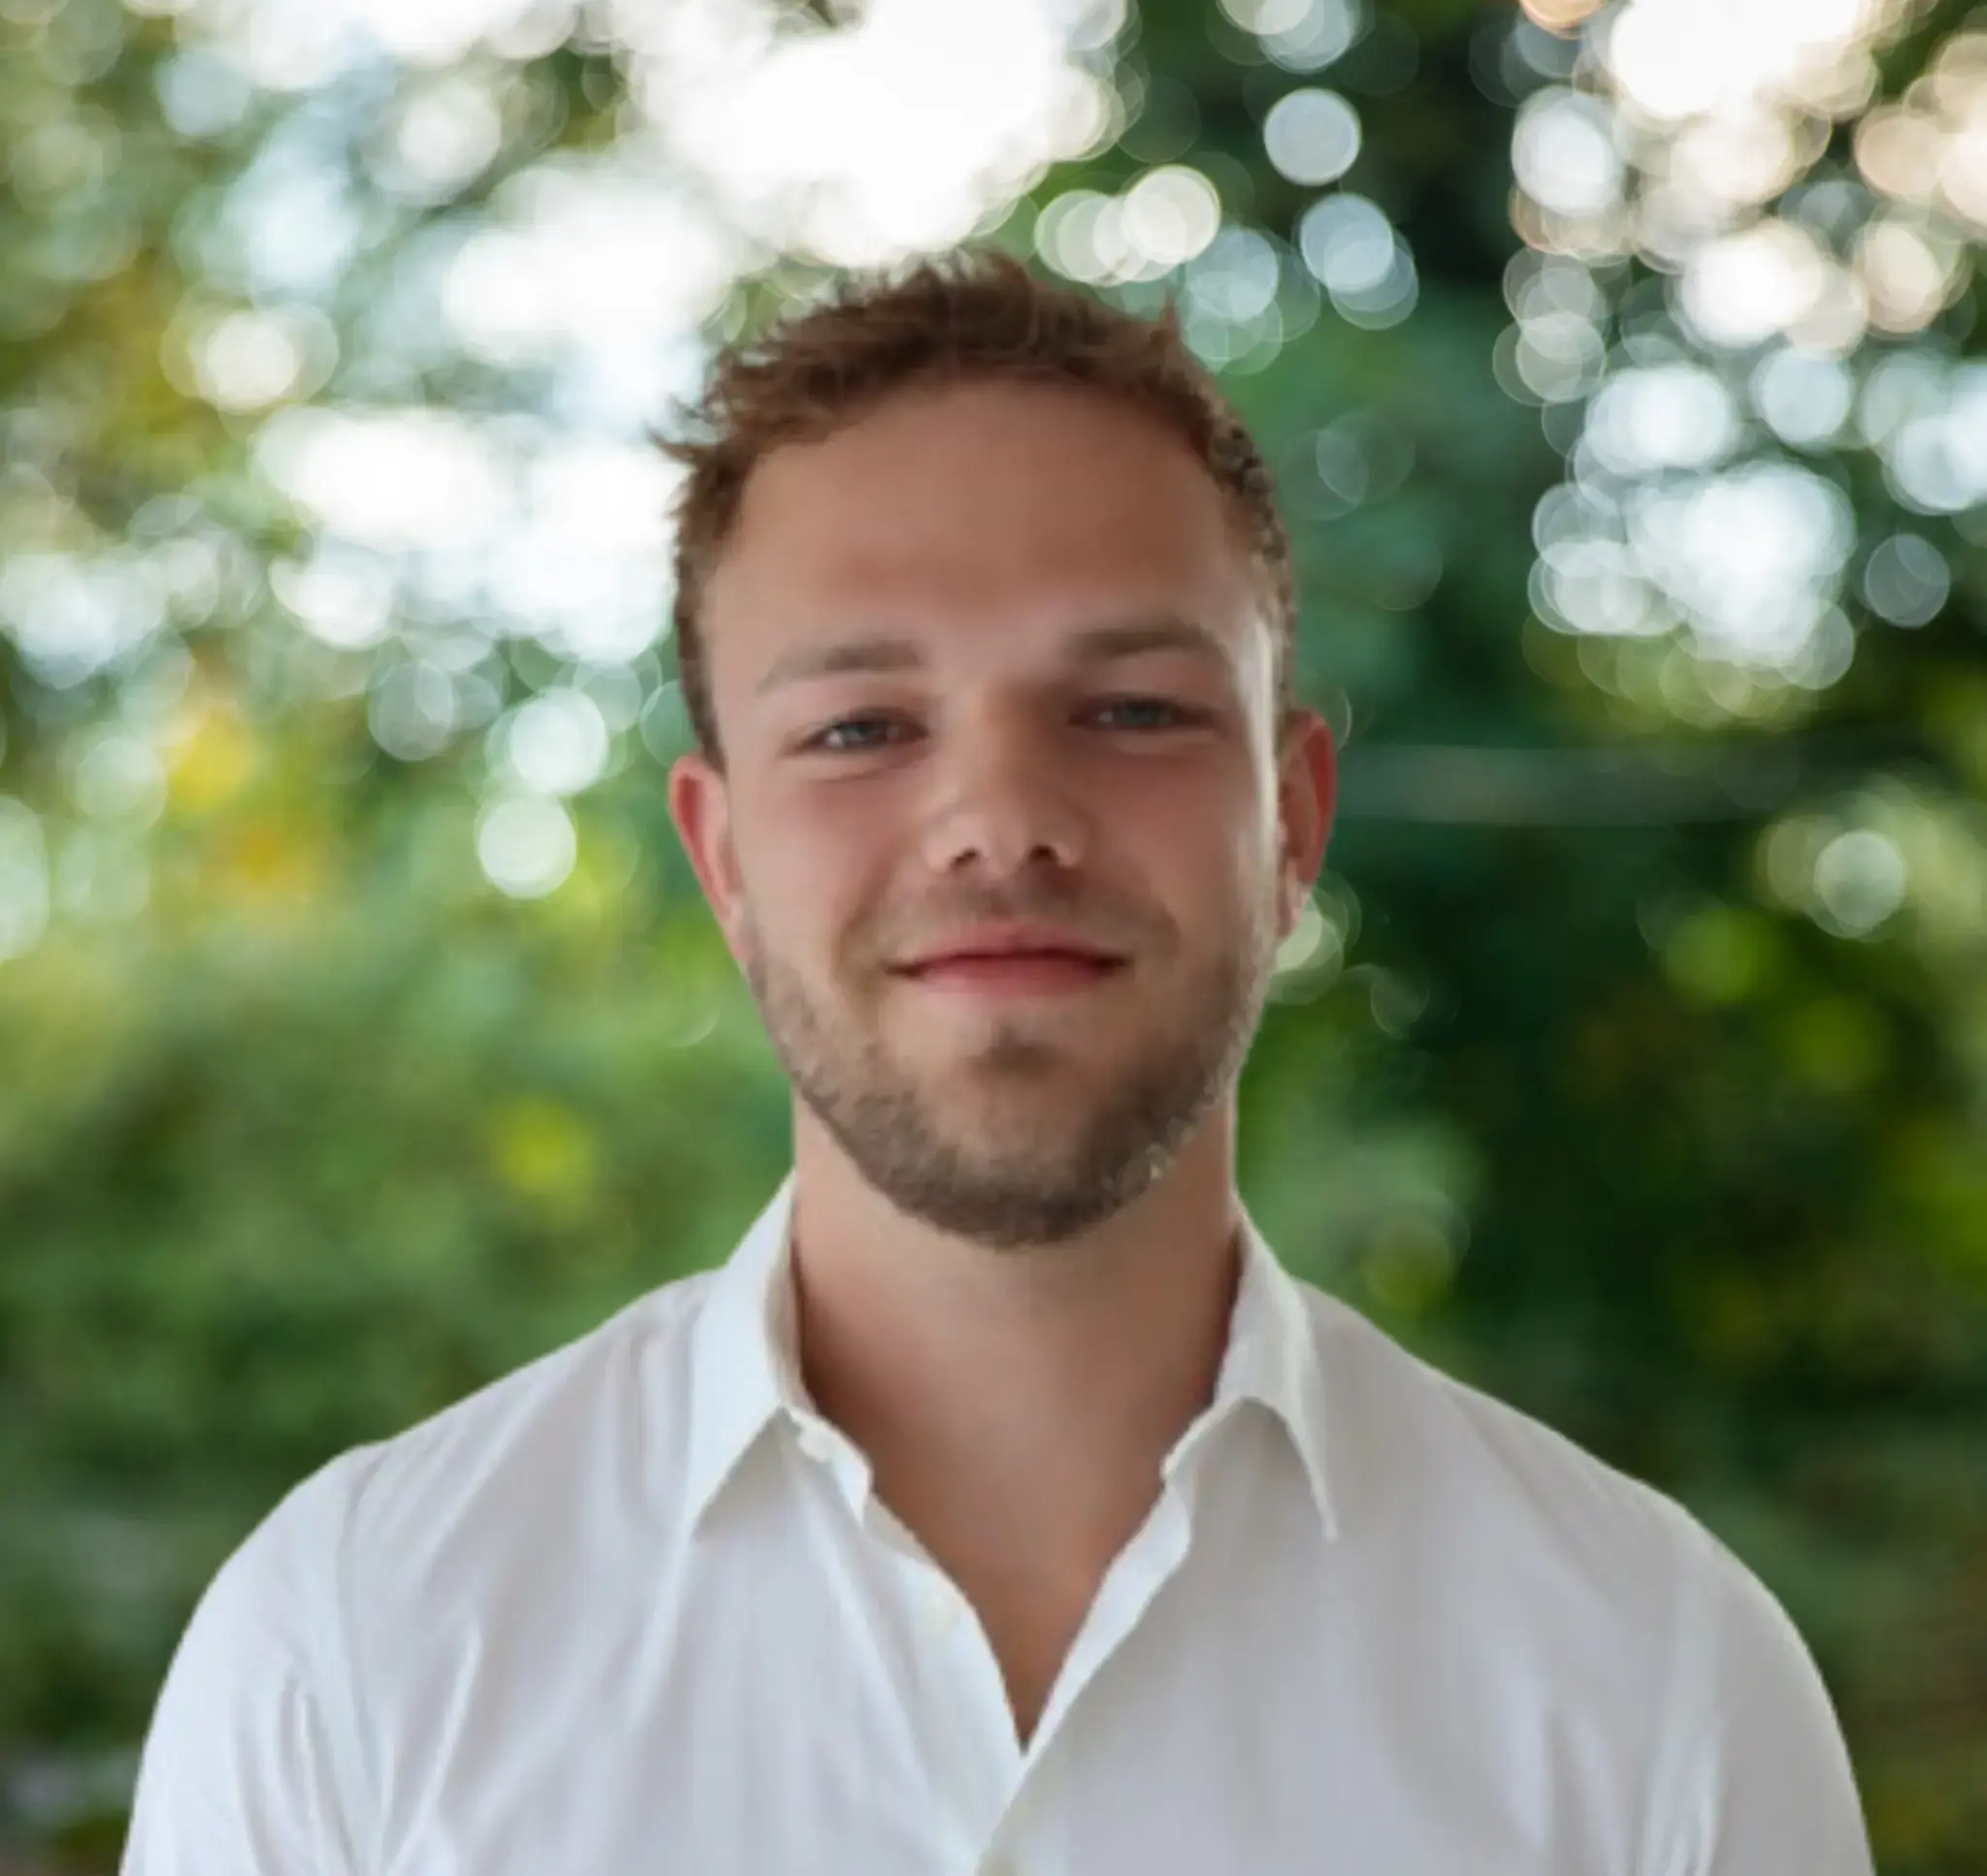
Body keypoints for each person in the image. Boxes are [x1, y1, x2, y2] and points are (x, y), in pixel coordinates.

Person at [121, 253, 1873, 1874]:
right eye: (861, 727)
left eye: (1131, 711)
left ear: (1291, 822)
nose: (1002, 819)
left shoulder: (1659, 1685)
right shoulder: (350, 1655)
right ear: (723, 859)